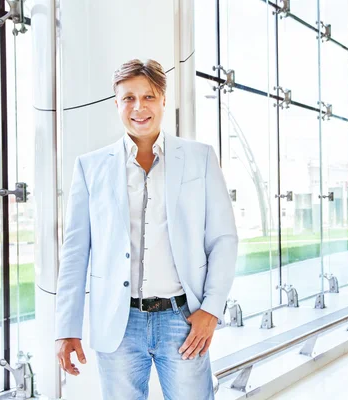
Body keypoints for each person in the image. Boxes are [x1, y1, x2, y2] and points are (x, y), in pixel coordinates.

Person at [54, 58, 238, 400]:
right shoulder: (90, 167)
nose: (139, 107)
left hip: (183, 319)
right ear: (116, 103)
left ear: (164, 100)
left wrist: (211, 309)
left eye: (149, 97)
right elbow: (75, 253)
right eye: (129, 98)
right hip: (118, 324)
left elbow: (223, 240)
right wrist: (66, 328)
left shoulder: (200, 158)